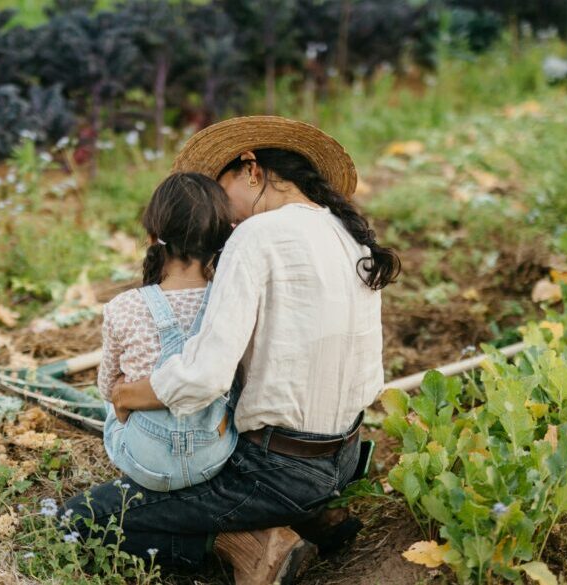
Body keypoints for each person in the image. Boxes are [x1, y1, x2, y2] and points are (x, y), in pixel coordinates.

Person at [61, 116, 400, 585]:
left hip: (277, 471)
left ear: (251, 169)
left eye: (222, 196)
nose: (225, 217)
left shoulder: (256, 237)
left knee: (79, 519)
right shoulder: (348, 234)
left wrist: (126, 396)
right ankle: (309, 513)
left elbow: (205, 378)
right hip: (342, 457)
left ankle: (249, 542)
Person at [98, 172, 239, 492]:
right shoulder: (229, 303)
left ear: (152, 237)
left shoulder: (123, 307)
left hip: (146, 461)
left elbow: (108, 388)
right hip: (213, 456)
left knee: (112, 397)